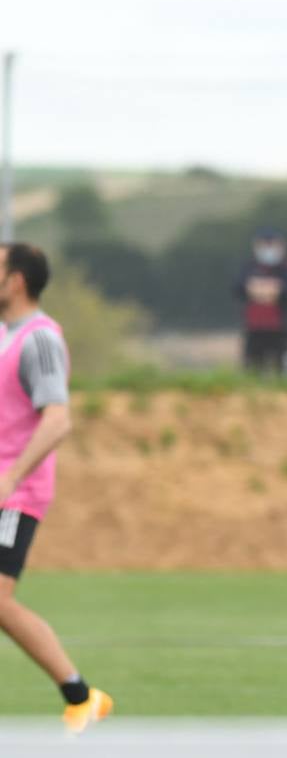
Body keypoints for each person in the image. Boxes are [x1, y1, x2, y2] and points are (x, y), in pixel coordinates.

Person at [0, 244, 113, 732]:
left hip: (13, 494)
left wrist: (11, 476)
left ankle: (81, 695)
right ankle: (80, 695)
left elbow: (58, 421)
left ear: (17, 280)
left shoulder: (39, 341)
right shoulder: (5, 336)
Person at [235, 228, 287, 374]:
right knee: (252, 366)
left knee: (281, 365)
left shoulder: (286, 269)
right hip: (254, 326)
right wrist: (270, 291)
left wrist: (260, 290)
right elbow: (239, 288)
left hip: (279, 326)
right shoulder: (249, 267)